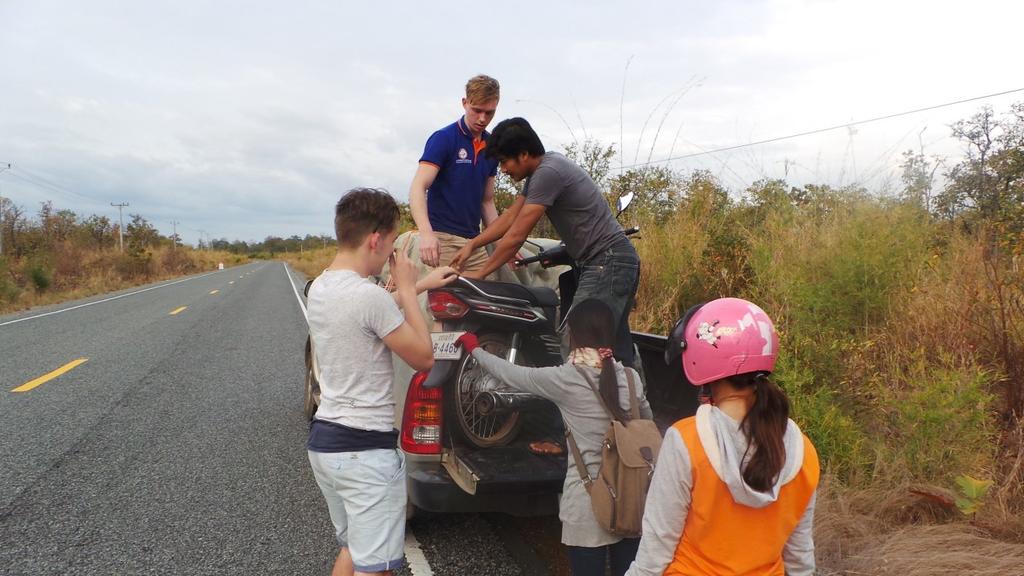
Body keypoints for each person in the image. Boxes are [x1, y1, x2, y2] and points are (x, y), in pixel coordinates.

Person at [305, 188, 458, 576]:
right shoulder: (368, 298)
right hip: (365, 454)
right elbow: (424, 357)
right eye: (391, 243)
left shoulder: (322, 286)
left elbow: (369, 308)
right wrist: (408, 287)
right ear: (375, 239)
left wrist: (419, 286)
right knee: (378, 570)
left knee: (355, 551)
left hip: (326, 446)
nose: (392, 253)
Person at [455, 299, 652, 576]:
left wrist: (475, 348)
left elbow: (512, 374)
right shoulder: (631, 378)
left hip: (587, 508)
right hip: (632, 502)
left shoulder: (566, 378)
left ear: (573, 334)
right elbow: (646, 426)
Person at [624, 298, 820, 576]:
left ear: (701, 358)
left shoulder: (686, 441)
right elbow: (800, 558)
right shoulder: (803, 452)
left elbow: (656, 549)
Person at [450, 117, 641, 367]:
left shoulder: (549, 172)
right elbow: (510, 217)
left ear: (524, 154)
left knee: (579, 342)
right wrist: (472, 244)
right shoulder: (540, 173)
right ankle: (631, 401)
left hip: (607, 261)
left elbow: (517, 235)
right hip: (605, 261)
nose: (504, 170)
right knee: (615, 345)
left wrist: (481, 272)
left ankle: (586, 404)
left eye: (505, 161)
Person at [409, 74, 501, 272]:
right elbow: (418, 186)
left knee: (487, 298)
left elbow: (487, 201)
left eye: (489, 113)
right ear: (464, 103)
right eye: (477, 110)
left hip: (473, 243)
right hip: (441, 239)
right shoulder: (444, 138)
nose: (483, 119)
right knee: (448, 300)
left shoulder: (493, 146)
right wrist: (426, 234)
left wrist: (501, 242)